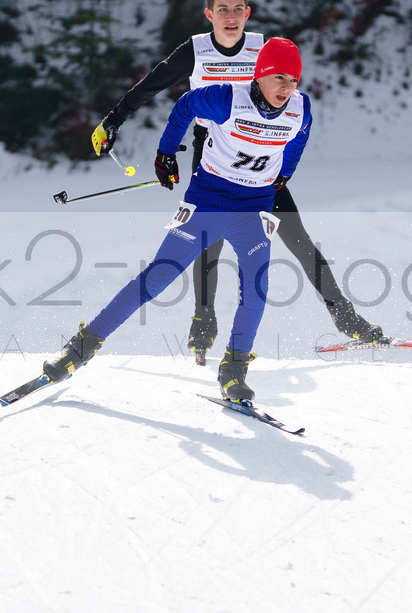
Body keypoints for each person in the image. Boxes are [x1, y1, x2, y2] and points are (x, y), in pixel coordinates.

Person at [91, 0, 385, 365]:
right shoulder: (195, 51)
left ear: (248, 13)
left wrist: (286, 168)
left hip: (263, 161)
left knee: (297, 237)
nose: (231, 17)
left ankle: (346, 317)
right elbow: (152, 86)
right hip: (211, 152)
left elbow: (293, 105)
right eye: (222, 9)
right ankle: (204, 319)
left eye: (238, 10)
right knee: (206, 244)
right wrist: (114, 120)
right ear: (209, 14)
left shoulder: (265, 50)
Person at [44, 37, 312, 402]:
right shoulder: (227, 99)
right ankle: (82, 346)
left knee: (257, 289)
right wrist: (166, 153)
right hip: (208, 203)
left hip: (254, 208)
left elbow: (299, 137)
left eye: (293, 80)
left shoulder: (300, 108)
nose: (286, 87)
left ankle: (233, 369)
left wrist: (285, 174)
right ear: (260, 74)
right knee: (158, 276)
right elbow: (185, 105)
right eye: (279, 77)